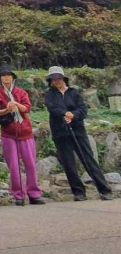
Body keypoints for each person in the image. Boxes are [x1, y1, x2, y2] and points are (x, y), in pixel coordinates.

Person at [44, 66, 113, 202]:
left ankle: (105, 190)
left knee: (88, 159)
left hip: (78, 130)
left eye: (59, 78)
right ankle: (78, 192)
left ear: (64, 78)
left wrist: (73, 115)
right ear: (51, 80)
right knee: (69, 163)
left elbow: (82, 109)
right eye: (54, 79)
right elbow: (53, 108)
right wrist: (65, 113)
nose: (56, 81)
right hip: (60, 132)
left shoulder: (74, 92)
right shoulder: (49, 94)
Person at [0, 65, 44, 206]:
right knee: (14, 166)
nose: (6, 77)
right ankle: (18, 195)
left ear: (13, 77)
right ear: (0, 78)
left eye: (9, 75)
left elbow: (27, 108)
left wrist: (16, 104)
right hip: (8, 133)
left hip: (25, 132)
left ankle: (34, 194)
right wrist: (7, 109)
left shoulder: (20, 92)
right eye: (3, 75)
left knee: (30, 164)